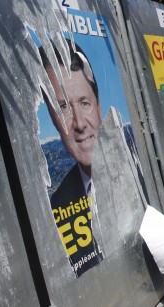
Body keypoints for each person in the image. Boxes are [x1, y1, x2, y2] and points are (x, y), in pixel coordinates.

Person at [39, 39, 104, 277]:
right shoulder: (55, 211)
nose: (78, 123)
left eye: (84, 103)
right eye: (63, 107)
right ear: (53, 119)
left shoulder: (144, 171)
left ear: (98, 105)